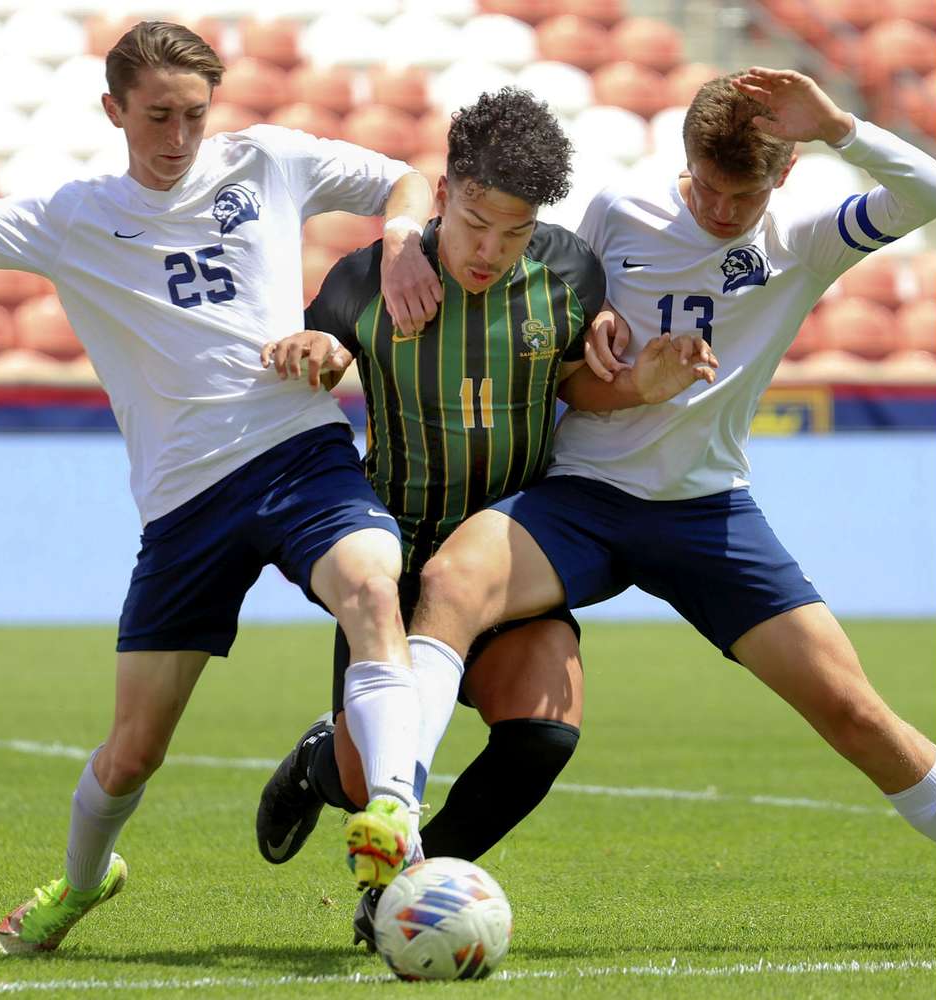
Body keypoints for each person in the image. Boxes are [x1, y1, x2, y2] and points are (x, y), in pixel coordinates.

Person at [0, 21, 446, 955]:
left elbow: (410, 177)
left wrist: (399, 236)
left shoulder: (266, 160)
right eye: (157, 116)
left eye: (195, 114)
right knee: (133, 754)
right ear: (114, 111)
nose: (180, 137)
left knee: (371, 585)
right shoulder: (71, 217)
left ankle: (394, 816)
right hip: (184, 507)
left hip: (298, 450)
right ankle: (82, 882)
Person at [404, 67, 936, 850]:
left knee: (855, 712)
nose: (722, 213)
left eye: (743, 198)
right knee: (453, 580)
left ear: (785, 173)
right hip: (583, 495)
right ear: (685, 161)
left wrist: (839, 127)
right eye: (708, 189)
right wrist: (582, 336)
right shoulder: (619, 211)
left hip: (708, 513)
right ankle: (395, 804)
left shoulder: (802, 241)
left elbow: (927, 192)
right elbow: (551, 331)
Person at [252, 88, 718, 947]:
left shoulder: (571, 272)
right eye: (473, 224)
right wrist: (315, 351)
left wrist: (638, 387)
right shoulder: (368, 276)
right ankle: (326, 762)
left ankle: (405, 888)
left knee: (544, 734)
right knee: (366, 782)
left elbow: (574, 382)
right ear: (442, 193)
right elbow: (326, 352)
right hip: (391, 570)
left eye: (512, 232)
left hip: (509, 553)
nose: (489, 251)